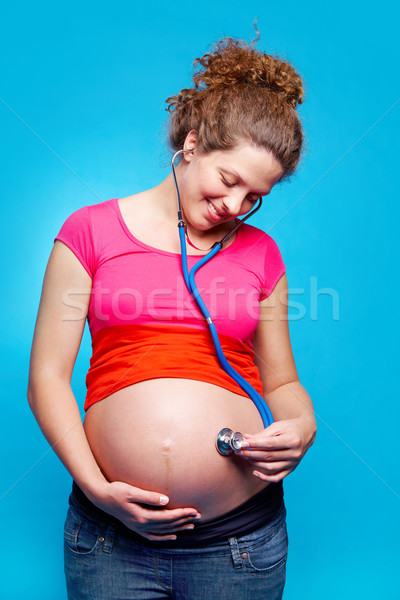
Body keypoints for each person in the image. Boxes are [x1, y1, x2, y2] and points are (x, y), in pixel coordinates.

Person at [27, 37, 317, 600]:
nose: (235, 207)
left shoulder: (261, 254)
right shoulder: (88, 232)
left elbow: (281, 381)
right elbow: (46, 380)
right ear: (191, 145)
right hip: (110, 542)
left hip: (237, 546)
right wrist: (95, 486)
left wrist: (301, 429)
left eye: (254, 196)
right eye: (228, 180)